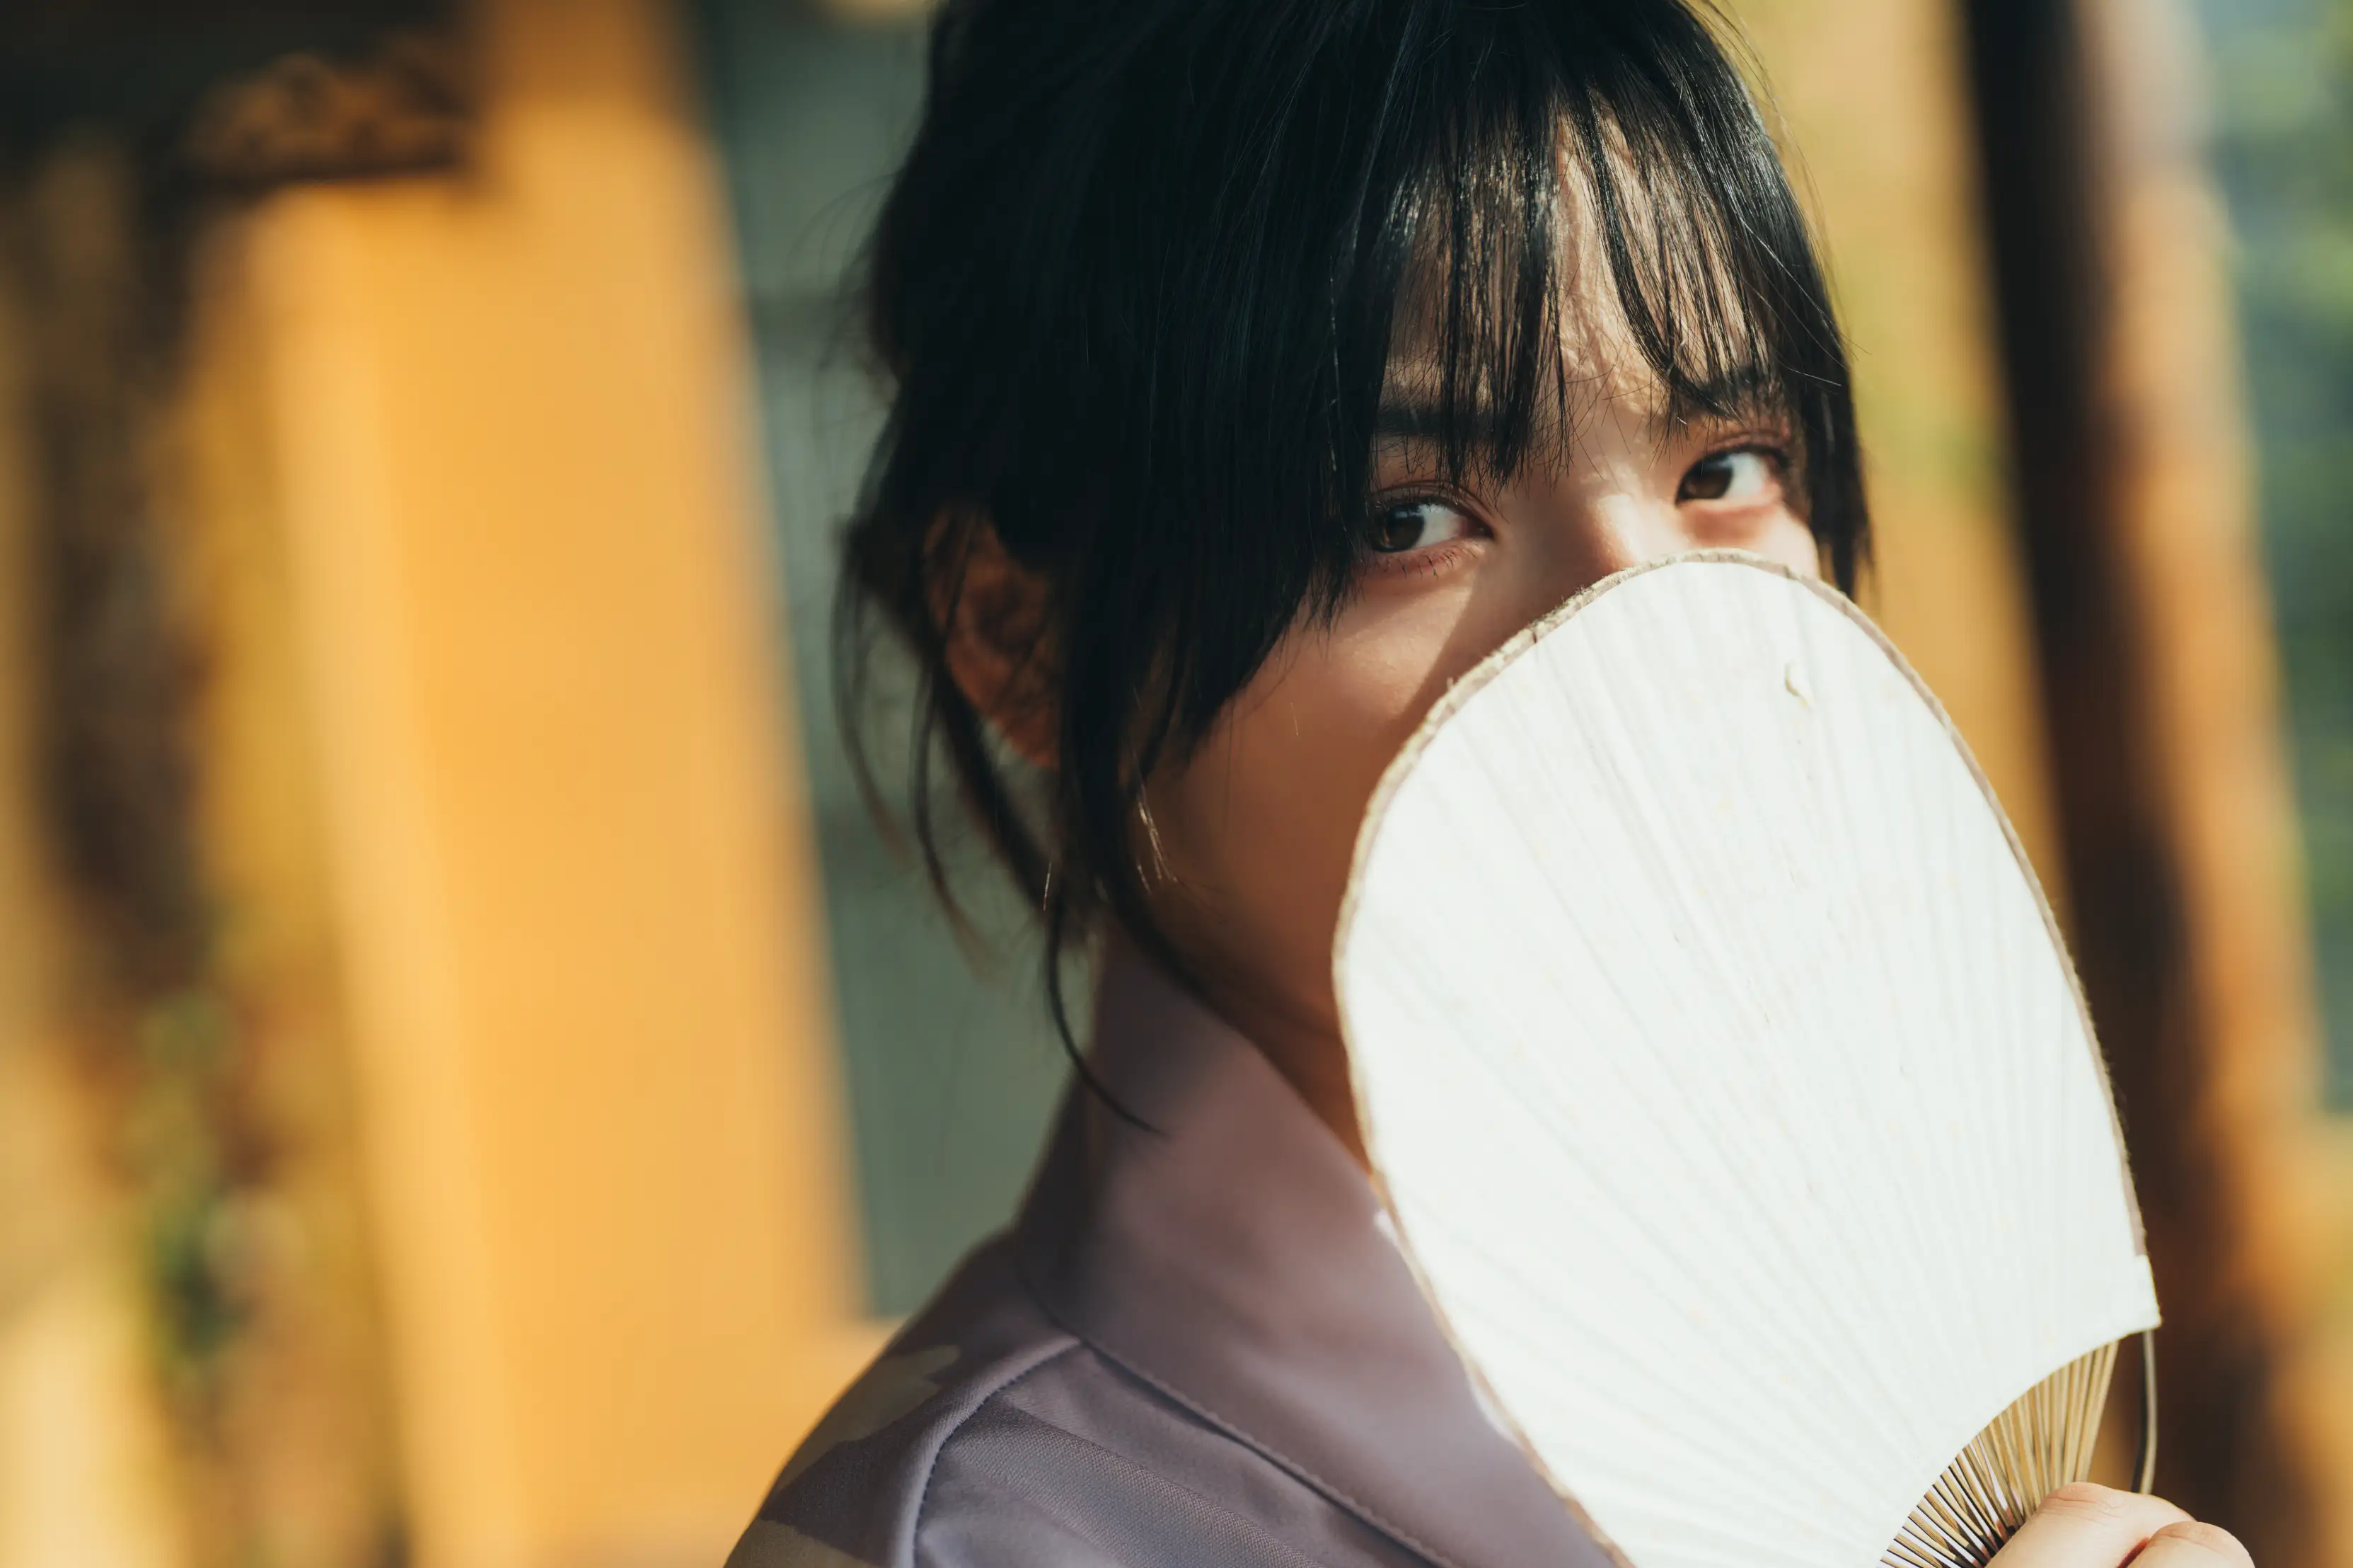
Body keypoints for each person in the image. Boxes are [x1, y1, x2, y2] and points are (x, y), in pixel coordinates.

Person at [727, 1, 2258, 1565]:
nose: (1646, 632)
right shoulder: (973, 1535)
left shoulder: (1904, 1318)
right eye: (1403, 518)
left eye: (1725, 469)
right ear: (1017, 632)